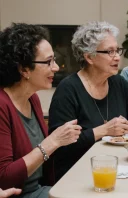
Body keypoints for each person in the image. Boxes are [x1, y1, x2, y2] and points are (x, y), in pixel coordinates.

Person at [48, 21, 128, 181]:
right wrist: (103, 130)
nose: (117, 57)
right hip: (77, 174)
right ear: (89, 57)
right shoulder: (68, 89)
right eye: (109, 52)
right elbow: (60, 145)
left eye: (117, 50)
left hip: (117, 167)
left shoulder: (118, 82)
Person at [0, 23, 81, 197]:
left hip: (42, 190)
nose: (56, 67)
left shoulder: (32, 97)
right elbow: (5, 178)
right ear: (24, 69)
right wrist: (52, 141)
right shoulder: (1, 106)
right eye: (48, 61)